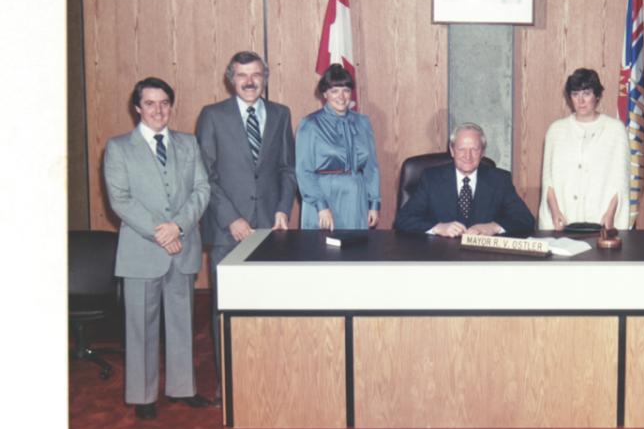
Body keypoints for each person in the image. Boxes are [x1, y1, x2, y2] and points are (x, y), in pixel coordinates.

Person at [103, 77, 212, 420]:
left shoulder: (188, 143)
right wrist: (161, 233)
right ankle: (143, 396)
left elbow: (202, 189)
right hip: (141, 250)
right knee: (141, 326)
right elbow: (120, 199)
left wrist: (178, 226)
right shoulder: (119, 148)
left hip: (182, 247)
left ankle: (183, 388)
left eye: (164, 103)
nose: (158, 110)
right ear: (138, 107)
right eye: (150, 103)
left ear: (171, 106)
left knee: (182, 322)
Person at [196, 51, 296, 385]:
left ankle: (267, 381)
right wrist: (232, 219)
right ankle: (229, 383)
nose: (250, 82)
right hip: (228, 231)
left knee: (269, 306)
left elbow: (287, 168)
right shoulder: (212, 116)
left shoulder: (281, 114)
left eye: (256, 74)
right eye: (242, 75)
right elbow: (205, 175)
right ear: (231, 79)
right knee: (227, 309)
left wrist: (283, 209)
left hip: (270, 227)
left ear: (265, 78)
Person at [395, 123, 535, 237]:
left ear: (483, 152)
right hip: (441, 255)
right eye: (461, 149)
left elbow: (526, 219)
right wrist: (438, 228)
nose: (468, 156)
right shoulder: (431, 178)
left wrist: (493, 227)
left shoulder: (499, 180)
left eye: (474, 149)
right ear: (452, 150)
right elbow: (403, 219)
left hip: (483, 257)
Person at [538, 67, 630, 231]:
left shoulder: (615, 130)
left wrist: (611, 214)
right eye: (575, 94)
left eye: (586, 93)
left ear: (597, 96)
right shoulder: (556, 130)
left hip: (601, 221)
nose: (580, 100)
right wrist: (555, 211)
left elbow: (621, 181)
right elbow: (548, 180)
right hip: (564, 221)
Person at [296, 64, 380, 230]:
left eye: (346, 90)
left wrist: (374, 203)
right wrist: (321, 206)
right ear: (325, 94)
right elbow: (304, 171)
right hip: (323, 198)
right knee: (323, 245)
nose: (341, 97)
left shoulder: (363, 122)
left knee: (355, 245)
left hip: (356, 198)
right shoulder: (310, 124)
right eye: (334, 91)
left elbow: (371, 167)